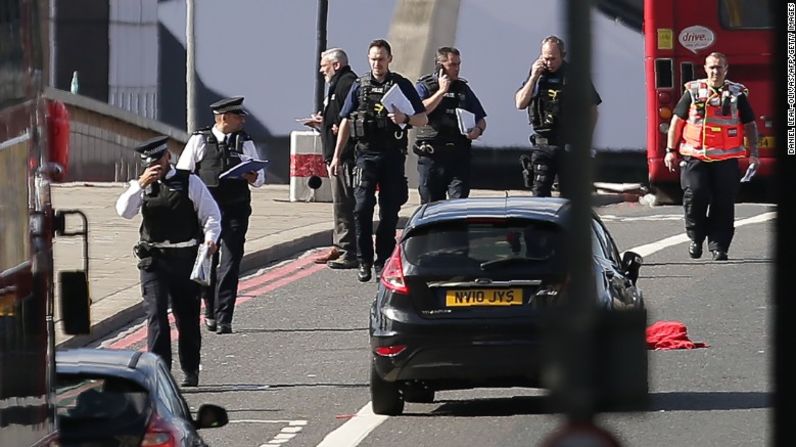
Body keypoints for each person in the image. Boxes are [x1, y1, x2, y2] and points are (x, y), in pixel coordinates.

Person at [116, 136, 221, 387]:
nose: (155, 166)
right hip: (154, 259)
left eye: (159, 160)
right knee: (156, 316)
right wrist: (139, 186)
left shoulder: (189, 182)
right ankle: (159, 373)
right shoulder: (140, 186)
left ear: (168, 158)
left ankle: (190, 369)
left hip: (185, 258)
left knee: (187, 317)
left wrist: (210, 239)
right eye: (149, 162)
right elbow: (124, 211)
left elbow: (212, 216)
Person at [329, 38, 428, 282]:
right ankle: (363, 258)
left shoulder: (401, 85)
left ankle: (382, 260)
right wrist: (336, 156)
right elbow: (345, 121)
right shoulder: (359, 85)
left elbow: (422, 119)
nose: (377, 63)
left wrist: (404, 118)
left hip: (392, 156)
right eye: (373, 59)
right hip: (365, 155)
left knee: (390, 211)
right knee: (361, 208)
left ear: (389, 59)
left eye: (381, 59)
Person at [177, 96, 266, 334]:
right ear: (224, 118)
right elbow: (183, 175)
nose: (243, 120)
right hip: (207, 212)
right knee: (208, 260)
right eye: (239, 116)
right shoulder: (200, 140)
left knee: (231, 262)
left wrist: (252, 176)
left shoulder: (245, 142)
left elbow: (260, 179)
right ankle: (210, 309)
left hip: (236, 208)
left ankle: (225, 316)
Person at [664, 52, 758, 261]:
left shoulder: (737, 94)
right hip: (695, 156)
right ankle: (696, 238)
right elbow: (676, 123)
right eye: (712, 67)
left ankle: (719, 246)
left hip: (726, 159)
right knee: (695, 195)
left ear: (726, 69)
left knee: (724, 202)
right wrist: (670, 151)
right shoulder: (693, 91)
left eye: (720, 67)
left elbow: (750, 125)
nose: (715, 71)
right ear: (705, 69)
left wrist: (754, 154)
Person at [514, 35, 602, 197]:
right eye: (545, 58)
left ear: (563, 55)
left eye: (553, 59)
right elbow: (520, 103)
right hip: (542, 144)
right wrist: (533, 77)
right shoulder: (537, 76)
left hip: (568, 144)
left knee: (569, 195)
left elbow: (592, 110)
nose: (549, 63)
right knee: (539, 194)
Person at [303, 48, 359, 269]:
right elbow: (337, 117)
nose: (320, 69)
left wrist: (338, 132)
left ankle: (348, 251)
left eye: (324, 65)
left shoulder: (347, 83)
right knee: (339, 203)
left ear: (336, 65)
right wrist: (323, 122)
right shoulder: (336, 85)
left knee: (344, 204)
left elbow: (351, 116)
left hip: (343, 156)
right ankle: (339, 244)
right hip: (334, 154)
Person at [414, 46, 487, 203]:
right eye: (452, 64)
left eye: (458, 64)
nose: (457, 68)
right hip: (432, 156)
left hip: (458, 156)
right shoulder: (424, 87)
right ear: (440, 65)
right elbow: (419, 111)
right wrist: (441, 91)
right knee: (430, 205)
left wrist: (477, 130)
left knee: (458, 205)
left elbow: (481, 119)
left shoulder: (463, 89)